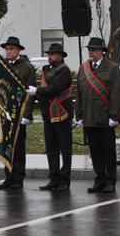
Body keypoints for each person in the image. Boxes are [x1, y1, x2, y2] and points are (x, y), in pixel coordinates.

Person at [76, 37, 120, 194]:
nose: (90, 52)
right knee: (95, 151)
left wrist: (114, 115)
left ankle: (110, 180)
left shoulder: (112, 68)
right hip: (89, 117)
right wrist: (79, 115)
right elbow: (79, 93)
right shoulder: (84, 69)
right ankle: (99, 179)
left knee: (108, 152)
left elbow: (117, 94)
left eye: (94, 49)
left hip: (105, 117)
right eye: (89, 49)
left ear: (102, 51)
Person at [30, 42, 73, 191]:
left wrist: (37, 91)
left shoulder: (64, 70)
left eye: (53, 54)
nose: (50, 56)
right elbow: (44, 93)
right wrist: (44, 113)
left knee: (65, 149)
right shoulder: (45, 69)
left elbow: (54, 89)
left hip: (62, 113)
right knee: (51, 148)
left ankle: (65, 180)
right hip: (49, 114)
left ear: (60, 56)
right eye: (49, 54)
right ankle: (54, 178)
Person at [0, 36, 36, 190]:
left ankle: (18, 178)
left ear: (19, 50)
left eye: (12, 49)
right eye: (7, 49)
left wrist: (27, 115)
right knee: (6, 146)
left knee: (19, 148)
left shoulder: (27, 67)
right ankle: (8, 176)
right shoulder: (3, 65)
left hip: (19, 112)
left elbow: (31, 92)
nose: (8, 51)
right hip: (5, 112)